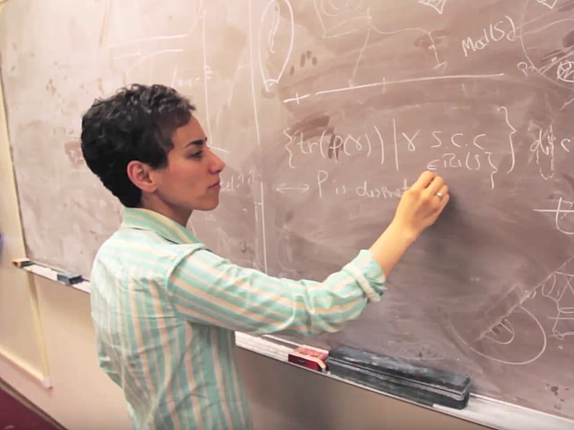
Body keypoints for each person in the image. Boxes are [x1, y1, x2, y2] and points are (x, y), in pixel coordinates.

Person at [80, 83, 450, 430]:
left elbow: (112, 364)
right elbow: (320, 308)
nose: (217, 163)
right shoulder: (175, 270)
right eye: (195, 153)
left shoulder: (113, 256)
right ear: (144, 176)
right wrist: (404, 228)